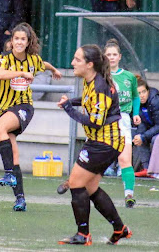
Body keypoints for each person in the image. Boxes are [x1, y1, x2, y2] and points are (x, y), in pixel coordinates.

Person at [56, 45, 132, 246]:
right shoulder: (90, 80)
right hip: (104, 142)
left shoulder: (100, 87)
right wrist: (71, 101)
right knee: (89, 187)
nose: (73, 63)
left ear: (90, 65)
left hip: (104, 143)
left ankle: (83, 235)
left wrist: (67, 109)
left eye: (77, 59)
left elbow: (95, 122)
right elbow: (89, 101)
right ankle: (120, 229)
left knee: (75, 184)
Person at [0, 22, 62, 211]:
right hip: (3, 108)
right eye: (16, 38)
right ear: (12, 41)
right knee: (14, 154)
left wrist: (54, 70)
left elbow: (43, 64)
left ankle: (8, 174)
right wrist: (22, 72)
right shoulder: (3, 59)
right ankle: (20, 198)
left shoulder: (33, 60)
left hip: (23, 107)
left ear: (28, 41)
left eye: (23, 39)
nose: (19, 42)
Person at [102, 39, 140, 207]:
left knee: (125, 159)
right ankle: (82, 189)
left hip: (123, 119)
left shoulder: (129, 77)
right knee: (94, 158)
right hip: (103, 120)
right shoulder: (99, 76)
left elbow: (135, 97)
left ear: (120, 57)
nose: (111, 57)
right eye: (108, 55)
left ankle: (129, 195)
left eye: (114, 55)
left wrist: (136, 114)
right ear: (104, 56)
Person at [133, 79, 159, 175]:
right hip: (155, 128)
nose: (141, 95)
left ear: (148, 91)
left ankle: (157, 170)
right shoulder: (136, 104)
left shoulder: (157, 102)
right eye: (138, 93)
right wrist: (140, 136)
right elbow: (141, 123)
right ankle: (146, 169)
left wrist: (143, 136)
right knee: (138, 137)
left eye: (143, 92)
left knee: (154, 139)